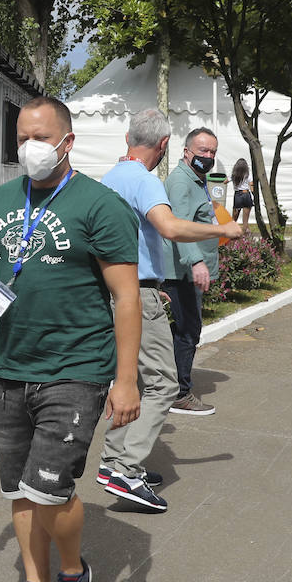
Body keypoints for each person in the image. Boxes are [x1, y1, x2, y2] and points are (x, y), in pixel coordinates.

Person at [0, 95, 141, 582]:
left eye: (40, 137)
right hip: (12, 367)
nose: (30, 148)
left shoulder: (99, 205)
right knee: (19, 491)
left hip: (76, 368)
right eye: (22, 138)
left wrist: (125, 381)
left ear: (67, 142)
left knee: (50, 490)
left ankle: (74, 575)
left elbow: (126, 297)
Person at [97, 109, 242, 512]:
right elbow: (171, 227)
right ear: (164, 146)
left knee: (136, 383)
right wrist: (223, 229)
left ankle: (114, 461)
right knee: (163, 384)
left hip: (124, 289)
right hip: (135, 296)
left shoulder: (112, 177)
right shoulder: (145, 181)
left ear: (128, 137)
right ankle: (125, 467)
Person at [161, 127, 222, 416]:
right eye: (202, 151)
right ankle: (179, 394)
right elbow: (179, 227)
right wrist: (196, 262)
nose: (208, 156)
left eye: (212, 152)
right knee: (188, 331)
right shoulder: (181, 182)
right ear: (187, 152)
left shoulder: (197, 180)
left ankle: (165, 382)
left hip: (189, 270)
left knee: (181, 330)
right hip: (182, 271)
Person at [230, 156, 254, 226]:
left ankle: (231, 232)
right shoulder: (248, 175)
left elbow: (225, 181)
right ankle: (244, 234)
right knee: (245, 220)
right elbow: (251, 185)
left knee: (234, 218)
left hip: (238, 195)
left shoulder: (233, 175)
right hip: (246, 194)